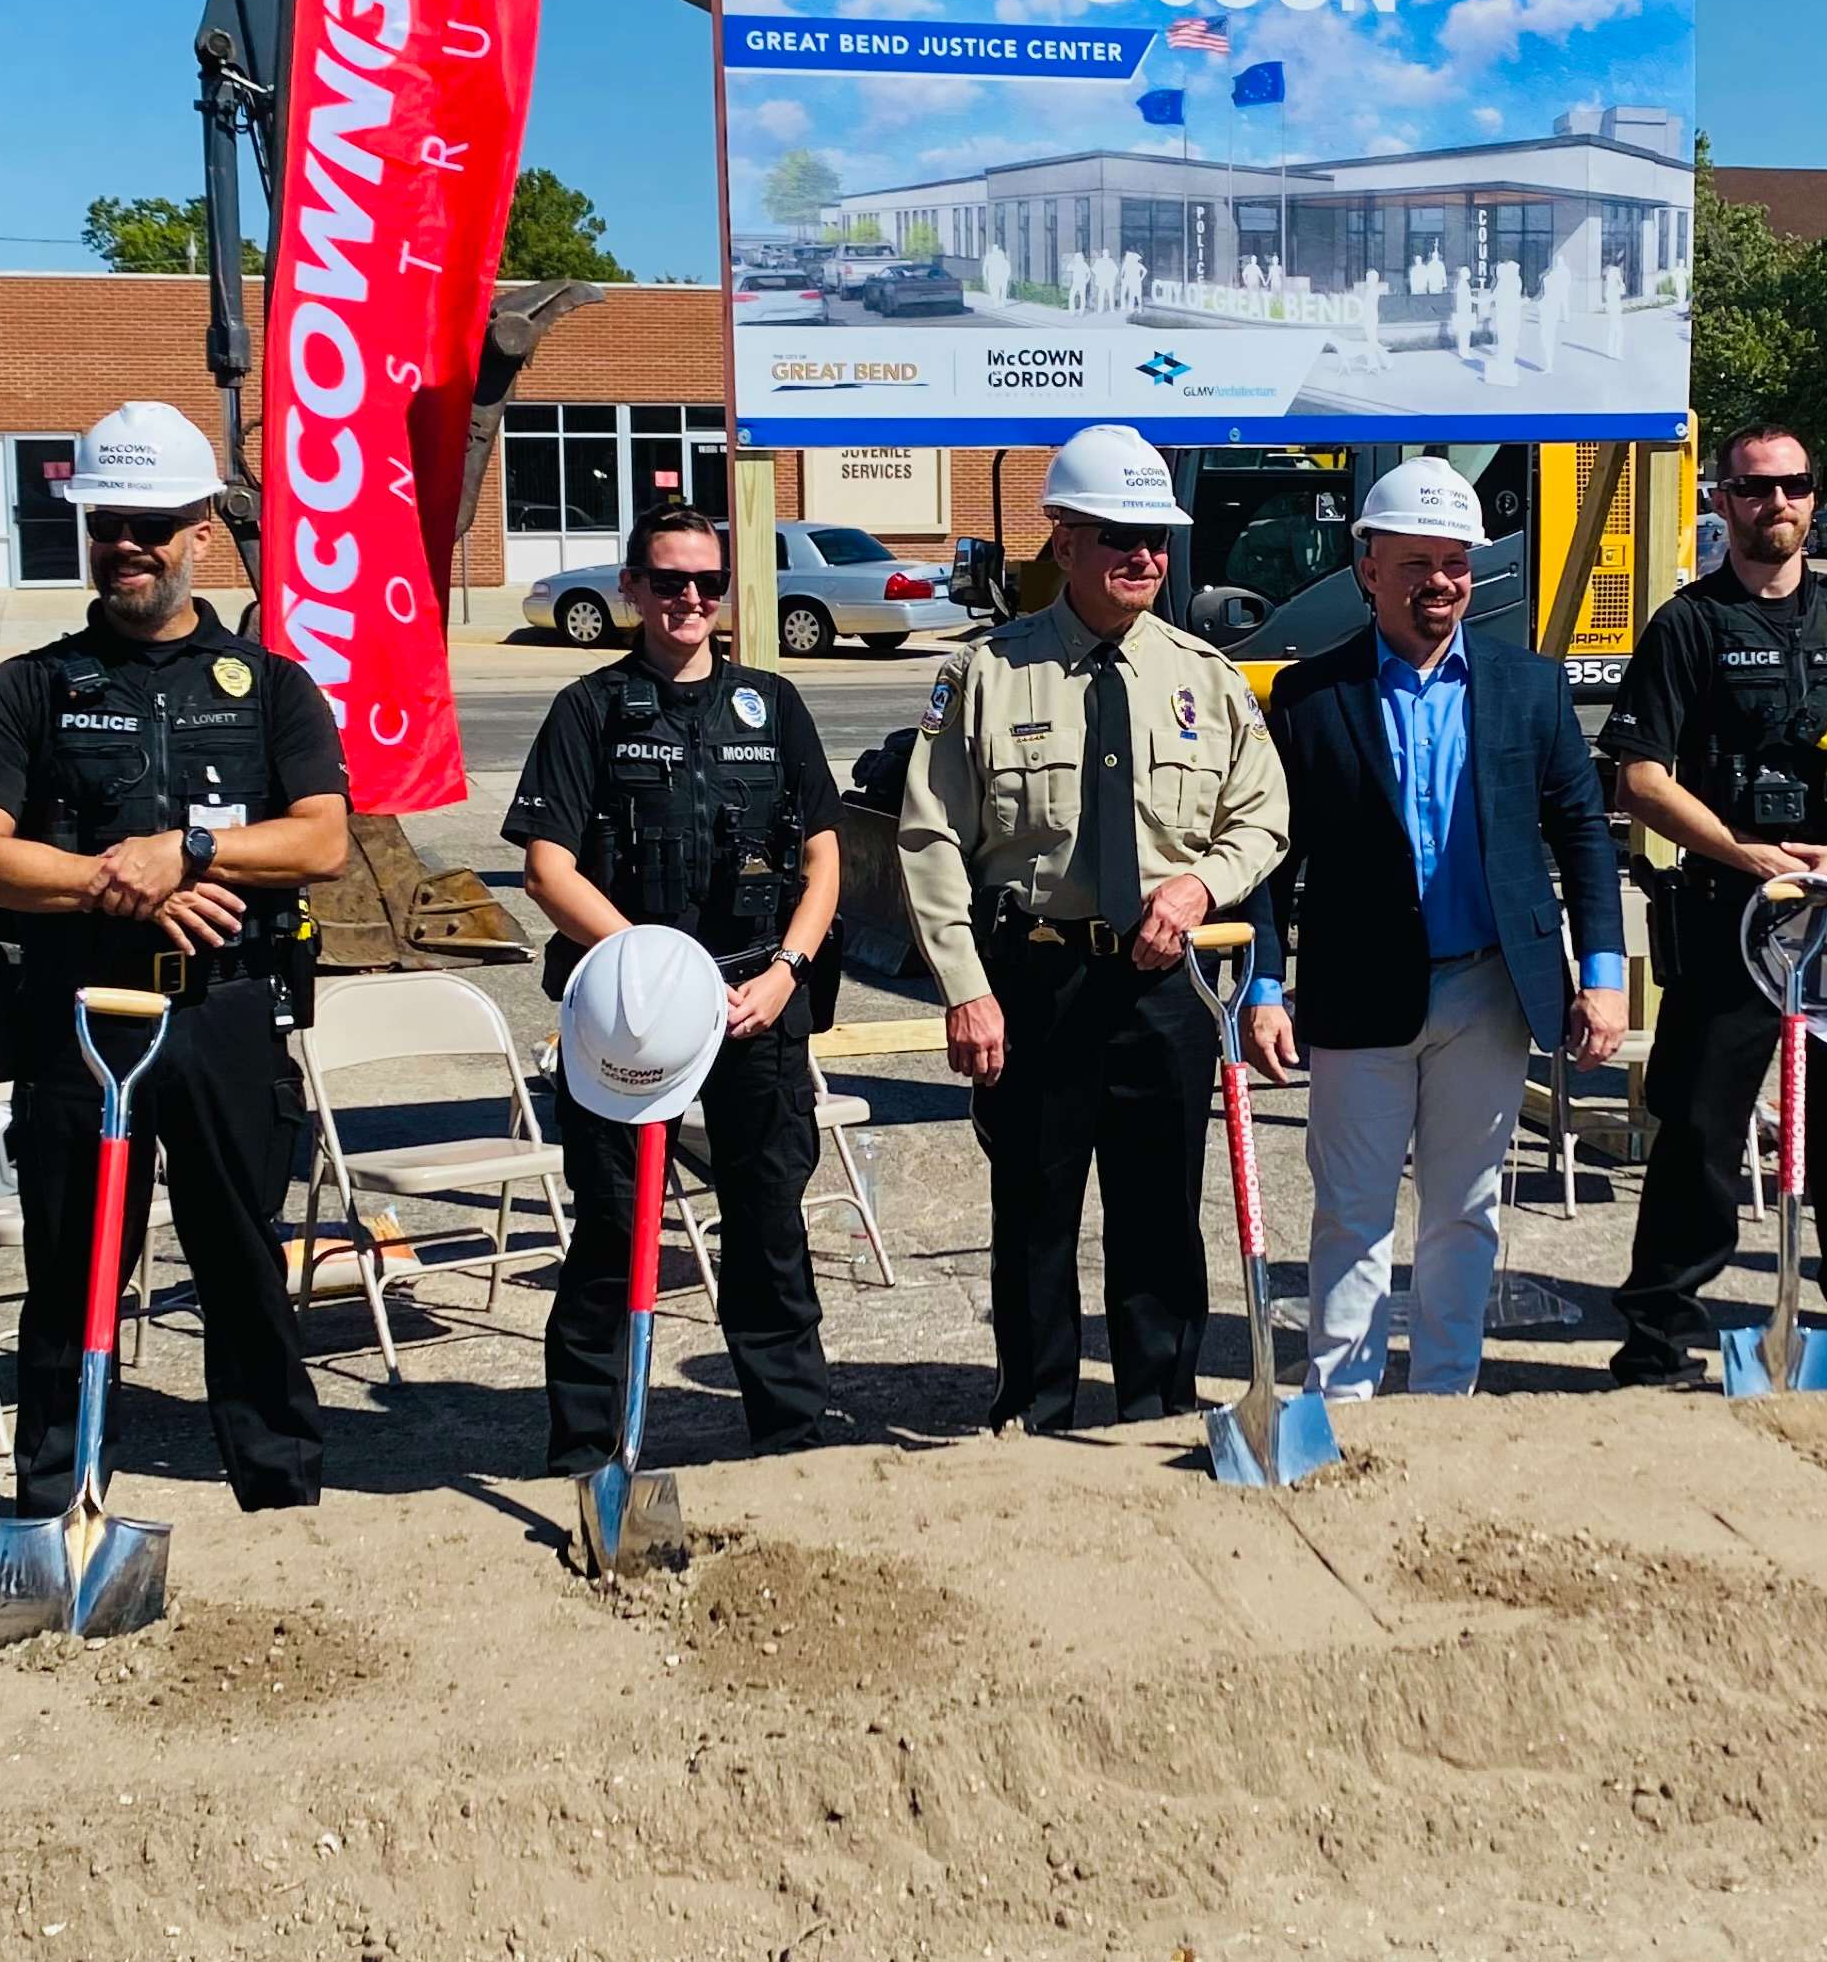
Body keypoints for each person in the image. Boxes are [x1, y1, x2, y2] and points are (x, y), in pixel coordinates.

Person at [0, 400, 351, 1517]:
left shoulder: (269, 686)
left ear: (203, 531)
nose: (128, 543)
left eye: (153, 524)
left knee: (243, 1265)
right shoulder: (32, 686)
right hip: (82, 1019)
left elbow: (321, 837)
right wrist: (115, 879)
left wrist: (195, 849)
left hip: (222, 1015)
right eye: (108, 521)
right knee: (74, 1276)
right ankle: (57, 1500)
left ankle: (278, 1491)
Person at [900, 422, 1290, 1431]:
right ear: (1063, 541)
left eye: (1156, 537)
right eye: (1119, 536)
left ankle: (1159, 1405)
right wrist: (965, 986)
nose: (1145, 556)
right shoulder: (987, 674)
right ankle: (1033, 1412)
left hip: (1165, 986)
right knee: (1033, 1211)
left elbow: (1263, 818)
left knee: (1161, 1215)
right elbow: (930, 834)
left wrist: (1202, 887)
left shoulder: (1207, 676)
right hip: (1036, 981)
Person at [1240, 457, 1624, 1398]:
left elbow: (1580, 826)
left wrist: (1602, 969)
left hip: (1490, 989)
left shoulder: (1527, 687)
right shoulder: (1309, 695)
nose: (1440, 582)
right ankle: (1343, 1407)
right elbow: (1269, 851)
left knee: (1464, 1212)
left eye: (1455, 562)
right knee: (1353, 1215)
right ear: (1368, 567)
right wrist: (1263, 982)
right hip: (1357, 990)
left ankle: (1445, 1401)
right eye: (1416, 563)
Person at [1599, 423, 1827, 1381]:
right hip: (1731, 914)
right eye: (1754, 488)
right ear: (1723, 500)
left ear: (1813, 493)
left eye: (1794, 485)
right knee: (1702, 1130)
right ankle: (1660, 1326)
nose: (1777, 504)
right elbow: (1641, 776)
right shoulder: (1689, 623)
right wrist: (1746, 852)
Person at [506, 501, 847, 1468]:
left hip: (757, 1008)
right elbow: (547, 868)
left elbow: (824, 862)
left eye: (706, 581)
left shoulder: (773, 705)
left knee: (769, 1226)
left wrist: (788, 968)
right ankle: (589, 1444)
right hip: (630, 1017)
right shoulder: (589, 709)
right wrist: (658, 973)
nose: (688, 599)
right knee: (615, 1231)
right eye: (667, 581)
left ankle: (791, 1433)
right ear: (632, 590)